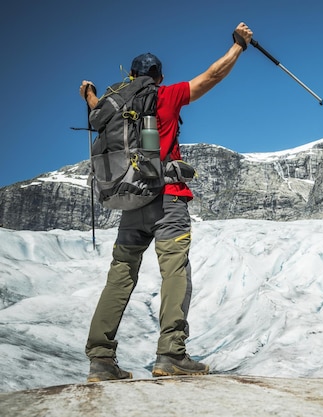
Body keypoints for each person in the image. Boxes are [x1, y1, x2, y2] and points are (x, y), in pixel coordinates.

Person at [79, 22, 253, 382]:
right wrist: (238, 47)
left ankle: (101, 360)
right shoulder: (166, 95)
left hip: (129, 202)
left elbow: (98, 117)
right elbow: (211, 76)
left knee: (121, 275)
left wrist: (92, 97)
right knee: (175, 271)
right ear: (158, 76)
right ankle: (171, 355)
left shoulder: (111, 106)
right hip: (168, 199)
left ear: (131, 76)